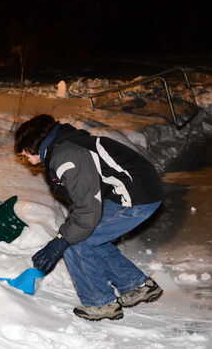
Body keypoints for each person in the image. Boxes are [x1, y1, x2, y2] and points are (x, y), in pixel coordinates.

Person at [14, 114, 164, 321]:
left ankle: (100, 303)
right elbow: (84, 200)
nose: (23, 157)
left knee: (77, 241)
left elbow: (86, 211)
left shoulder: (66, 156)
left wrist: (60, 241)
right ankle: (136, 285)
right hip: (131, 190)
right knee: (85, 236)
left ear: (33, 144)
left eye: (23, 152)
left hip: (136, 196)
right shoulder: (63, 146)